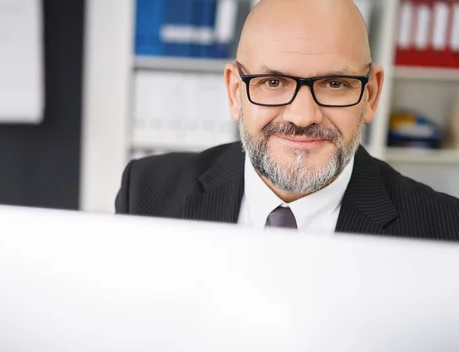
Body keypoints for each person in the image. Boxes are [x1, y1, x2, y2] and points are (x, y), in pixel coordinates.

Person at [115, 0, 459, 241]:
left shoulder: (444, 229)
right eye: (274, 82)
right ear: (236, 93)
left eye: (335, 83)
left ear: (370, 95)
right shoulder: (146, 191)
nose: (302, 116)